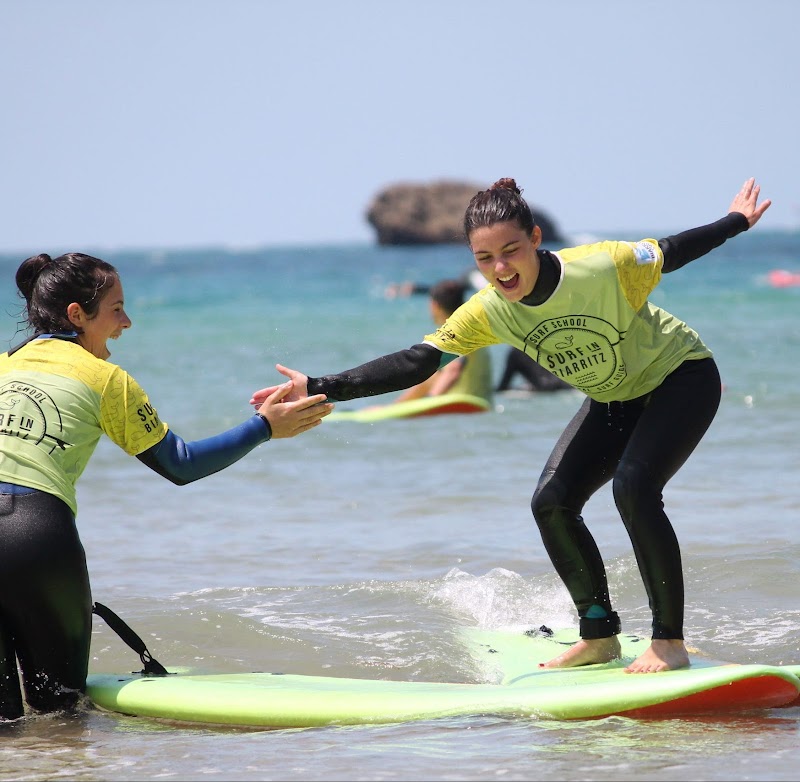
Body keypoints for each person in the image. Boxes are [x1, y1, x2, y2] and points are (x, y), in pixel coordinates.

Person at [250, 177, 771, 674]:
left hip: (680, 377)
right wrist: (321, 384)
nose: (500, 269)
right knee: (552, 502)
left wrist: (735, 222)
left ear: (535, 239)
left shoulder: (601, 266)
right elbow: (418, 360)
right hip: (616, 395)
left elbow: (671, 249)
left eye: (510, 251)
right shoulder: (489, 310)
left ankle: (668, 642)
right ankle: (598, 634)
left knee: (634, 487)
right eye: (484, 258)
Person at [0, 252, 333, 720]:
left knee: (2, 724)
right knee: (62, 714)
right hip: (36, 537)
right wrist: (264, 428)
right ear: (77, 315)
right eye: (116, 308)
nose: (127, 321)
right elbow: (181, 464)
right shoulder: (104, 378)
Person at [389, 279, 493, 405]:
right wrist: (393, 407)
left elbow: (453, 370)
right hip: (482, 407)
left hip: (460, 410)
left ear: (434, 305)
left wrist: (428, 402)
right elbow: (432, 380)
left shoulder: (456, 332)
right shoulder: (475, 328)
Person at [495, 346, 571, 393]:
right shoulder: (539, 344)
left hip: (543, 387)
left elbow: (504, 384)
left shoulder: (514, 353)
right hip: (564, 384)